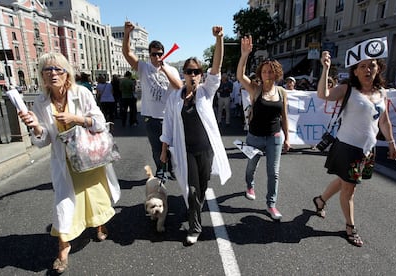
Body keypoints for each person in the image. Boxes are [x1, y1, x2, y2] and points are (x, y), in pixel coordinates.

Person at [18, 52, 121, 273]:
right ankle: (63, 250)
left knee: (94, 194)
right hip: (64, 163)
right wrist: (35, 126)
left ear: (67, 74)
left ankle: (99, 223)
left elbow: (100, 123)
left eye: (57, 69)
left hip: (88, 158)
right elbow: (43, 140)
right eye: (47, 70)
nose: (52, 73)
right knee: (63, 205)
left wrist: (77, 119)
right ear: (42, 75)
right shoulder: (41, 101)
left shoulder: (81, 93)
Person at [313, 50, 396, 247]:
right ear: (356, 71)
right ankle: (350, 228)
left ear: (378, 68)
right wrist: (325, 69)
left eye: (372, 65)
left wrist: (391, 142)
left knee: (345, 181)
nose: (368, 69)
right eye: (363, 66)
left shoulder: (382, 92)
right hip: (348, 147)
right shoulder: (347, 88)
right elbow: (323, 95)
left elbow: (383, 121)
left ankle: (320, 200)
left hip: (368, 149)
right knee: (349, 189)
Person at [160, 26, 231, 245]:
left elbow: (217, 67)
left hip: (206, 150)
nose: (192, 75)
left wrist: (219, 39)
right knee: (191, 190)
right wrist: (164, 151)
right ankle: (195, 226)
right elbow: (169, 126)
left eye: (196, 71)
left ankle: (194, 210)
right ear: (183, 73)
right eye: (189, 71)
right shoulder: (174, 98)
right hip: (185, 151)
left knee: (202, 186)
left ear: (201, 74)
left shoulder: (206, 92)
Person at [236, 35, 290, 220]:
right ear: (261, 73)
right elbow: (239, 76)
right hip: (255, 137)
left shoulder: (282, 92)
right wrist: (245, 55)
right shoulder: (255, 89)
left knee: (273, 173)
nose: (267, 74)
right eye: (265, 71)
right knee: (252, 166)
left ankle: (271, 205)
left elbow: (284, 116)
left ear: (276, 73)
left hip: (275, 137)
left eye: (271, 71)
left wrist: (287, 138)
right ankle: (249, 185)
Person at [123, 21, 183, 175]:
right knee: (156, 148)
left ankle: (172, 168)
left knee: (172, 146)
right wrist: (127, 33)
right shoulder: (144, 67)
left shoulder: (171, 69)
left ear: (163, 54)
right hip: (151, 118)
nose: (157, 56)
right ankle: (161, 170)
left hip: (169, 116)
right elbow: (127, 53)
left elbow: (179, 86)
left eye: (159, 53)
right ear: (149, 55)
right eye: (154, 54)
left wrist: (164, 70)